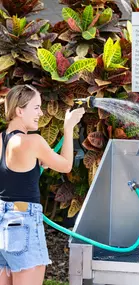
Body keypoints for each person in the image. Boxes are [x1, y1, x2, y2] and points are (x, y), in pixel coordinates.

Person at [0, 84, 85, 285]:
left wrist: (33, 164)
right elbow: (65, 166)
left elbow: (11, 175)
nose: (41, 113)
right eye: (36, 107)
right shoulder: (33, 141)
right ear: (20, 111)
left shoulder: (1, 140)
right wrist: (68, 127)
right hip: (22, 223)